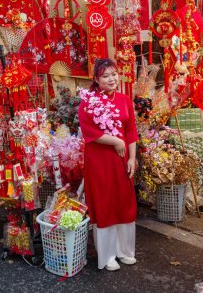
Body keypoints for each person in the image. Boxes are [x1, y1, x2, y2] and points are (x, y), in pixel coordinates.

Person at [78, 58, 138, 272]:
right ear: (96, 79)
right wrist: (116, 141)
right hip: (100, 160)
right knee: (105, 203)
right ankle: (108, 255)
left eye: (114, 74)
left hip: (122, 160)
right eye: (105, 76)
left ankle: (125, 251)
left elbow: (131, 130)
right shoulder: (89, 101)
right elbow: (89, 133)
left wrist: (132, 158)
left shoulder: (124, 99)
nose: (111, 79)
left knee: (124, 201)